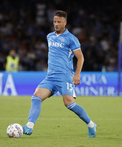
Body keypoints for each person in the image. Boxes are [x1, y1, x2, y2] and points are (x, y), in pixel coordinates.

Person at [22, 10, 97, 138]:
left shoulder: (71, 39)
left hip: (64, 76)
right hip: (50, 77)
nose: (56, 24)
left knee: (69, 104)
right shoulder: (49, 36)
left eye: (59, 22)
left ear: (65, 23)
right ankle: (29, 125)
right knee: (36, 97)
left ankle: (91, 125)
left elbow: (81, 57)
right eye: (54, 22)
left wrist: (77, 74)